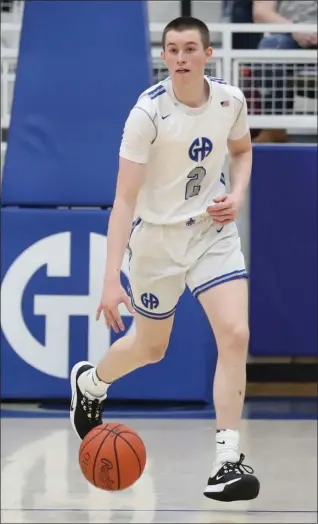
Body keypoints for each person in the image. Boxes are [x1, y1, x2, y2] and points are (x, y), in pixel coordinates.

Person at [70, 16, 260, 502]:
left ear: (207, 54)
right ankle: (92, 383)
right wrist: (111, 279)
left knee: (235, 333)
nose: (179, 57)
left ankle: (227, 459)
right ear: (164, 56)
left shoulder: (229, 101)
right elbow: (125, 201)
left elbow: (242, 151)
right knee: (151, 348)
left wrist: (236, 196)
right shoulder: (147, 115)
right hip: (156, 241)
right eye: (171, 49)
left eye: (189, 49)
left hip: (211, 232)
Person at [253, 0, 318, 143]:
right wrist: (294, 29)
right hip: (289, 34)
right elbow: (261, 12)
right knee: (271, 48)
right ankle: (274, 128)